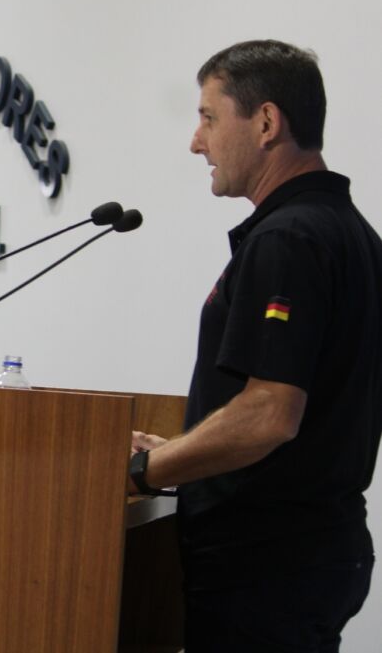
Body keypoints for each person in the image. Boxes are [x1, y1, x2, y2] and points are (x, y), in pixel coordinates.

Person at [129, 40, 382, 651]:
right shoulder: (351, 234)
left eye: (208, 118)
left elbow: (270, 413)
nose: (196, 142)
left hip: (266, 567)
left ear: (266, 122)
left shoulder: (288, 240)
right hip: (311, 553)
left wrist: (143, 472)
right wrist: (183, 453)